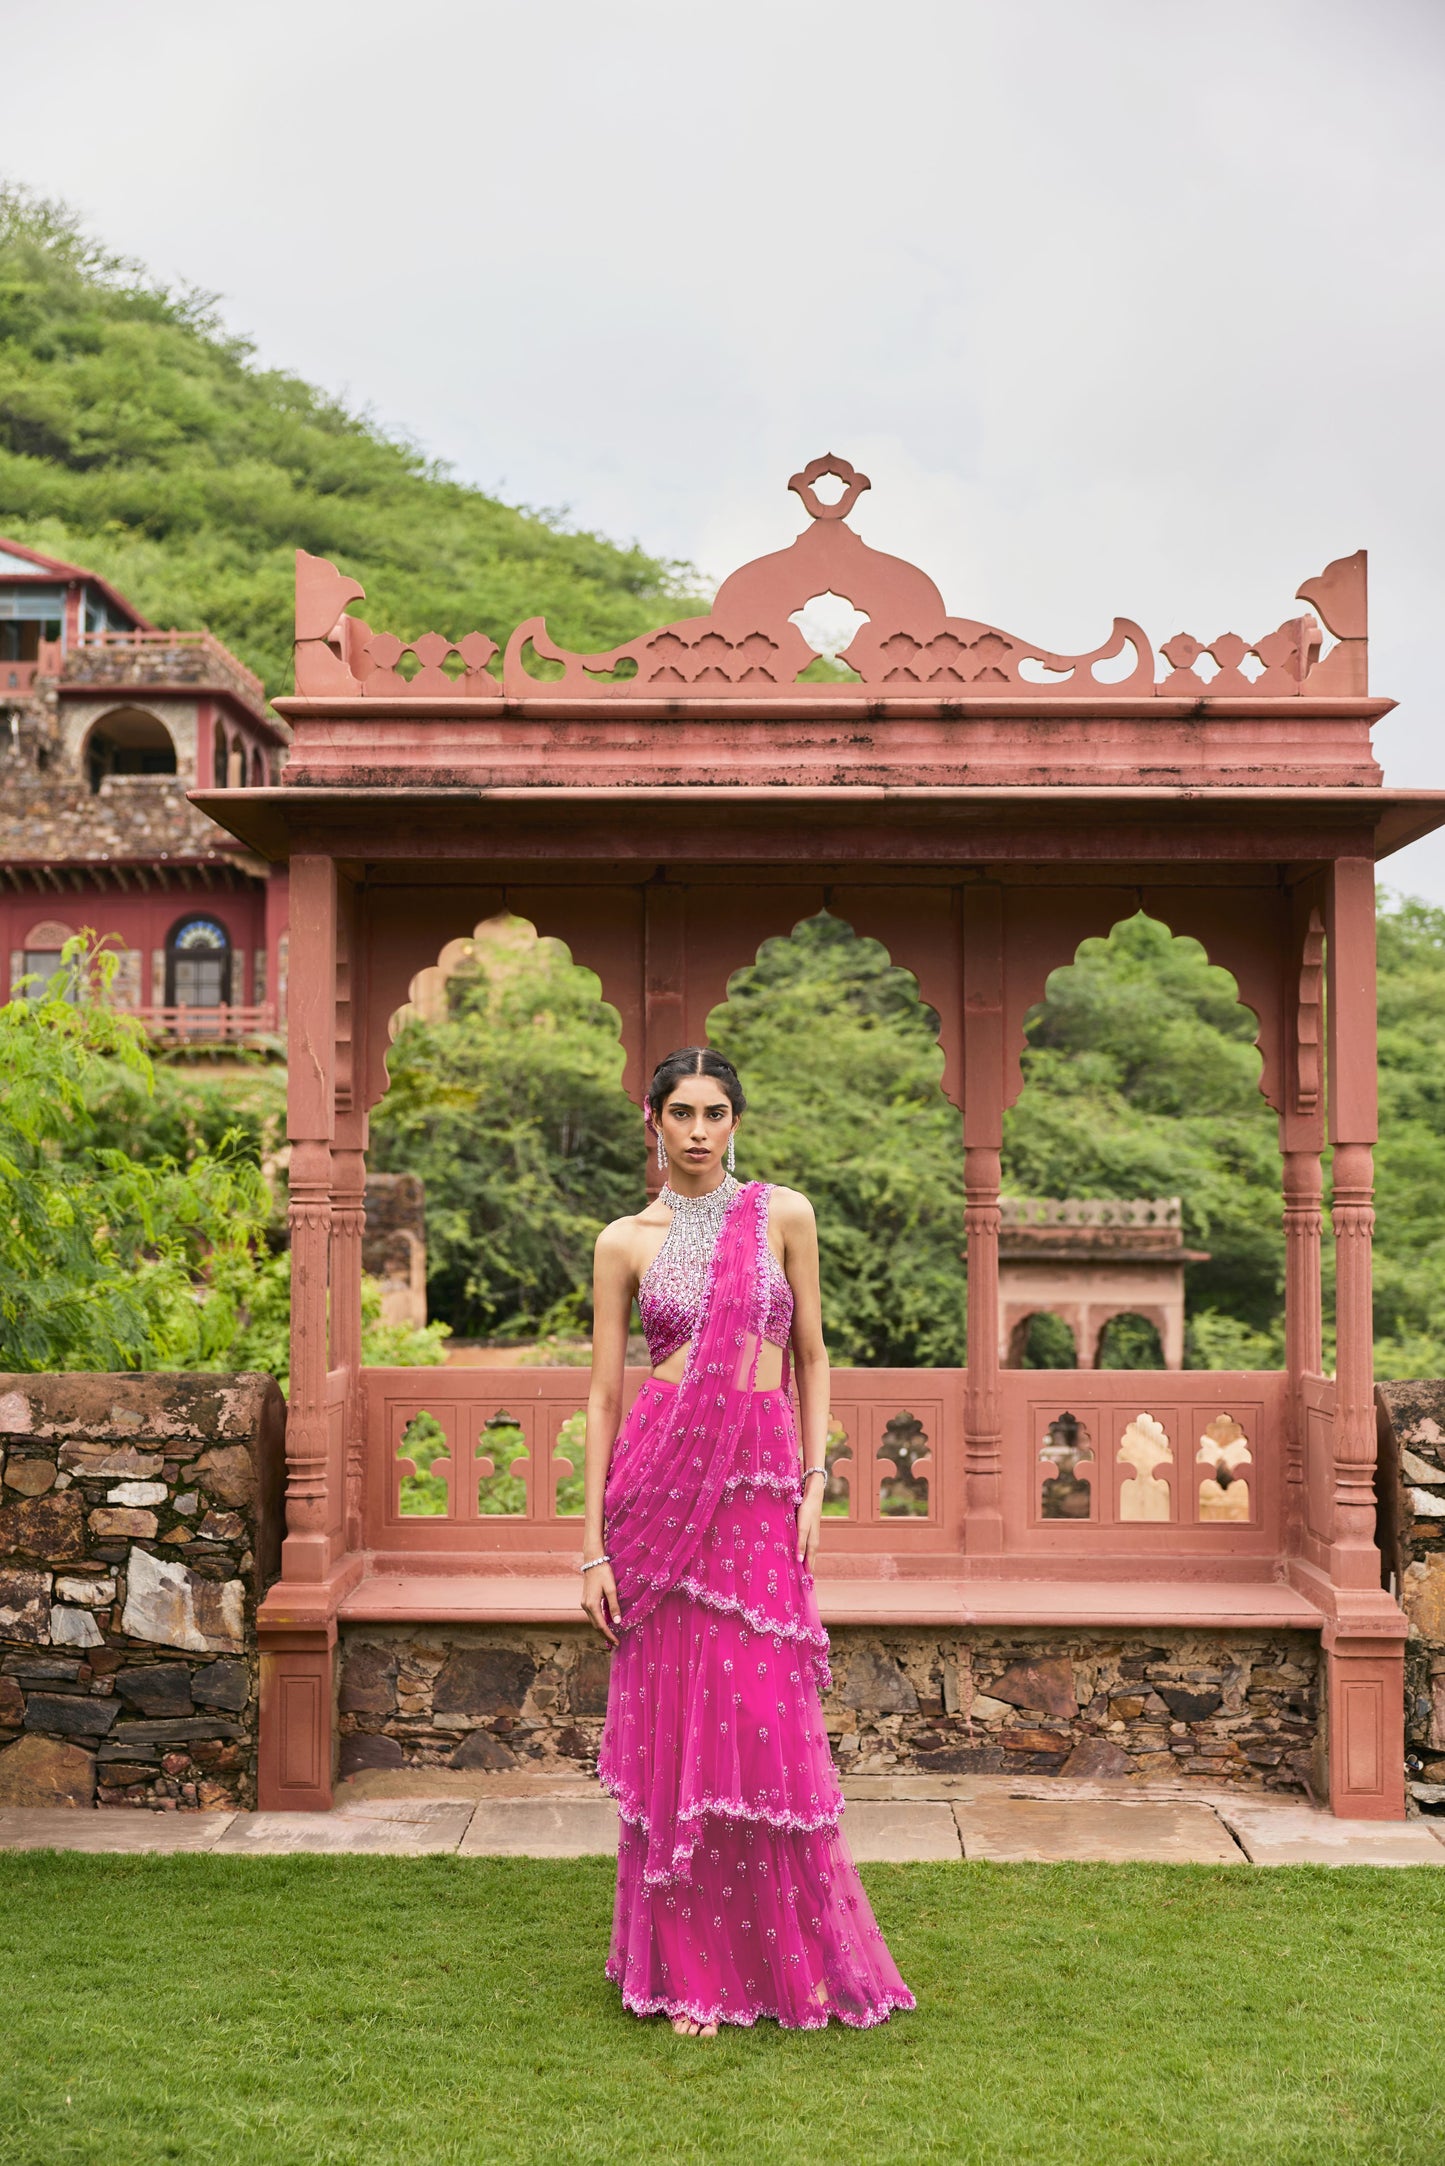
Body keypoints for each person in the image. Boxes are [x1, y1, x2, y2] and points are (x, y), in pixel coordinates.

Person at [580, 1046, 914, 2037]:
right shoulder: (622, 1241)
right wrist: (589, 1545)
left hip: (761, 1480)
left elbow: (812, 1355)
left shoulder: (782, 1216)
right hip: (658, 1485)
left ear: (735, 1121)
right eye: (679, 1112)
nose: (696, 1130)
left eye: (713, 1112)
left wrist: (815, 1481)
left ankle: (782, 1961)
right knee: (679, 1722)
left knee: (760, 1715)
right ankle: (691, 1973)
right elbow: (601, 1394)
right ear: (652, 1121)